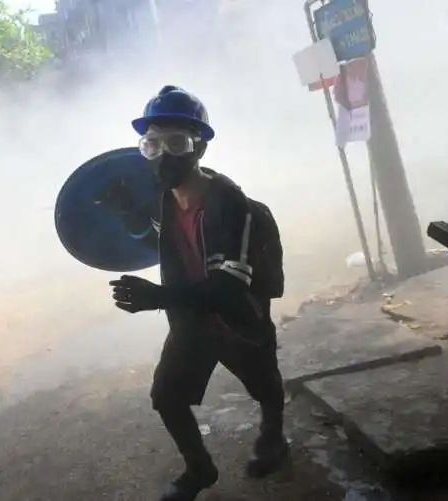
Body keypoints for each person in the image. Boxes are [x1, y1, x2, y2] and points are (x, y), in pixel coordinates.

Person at [106, 85, 288, 501]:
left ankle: (273, 438)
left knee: (264, 385)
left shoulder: (231, 203)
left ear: (199, 148)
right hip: (192, 319)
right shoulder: (165, 201)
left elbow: (229, 285)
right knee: (167, 397)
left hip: (238, 317)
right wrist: (122, 208)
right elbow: (157, 234)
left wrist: (158, 298)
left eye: (176, 143)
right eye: (152, 144)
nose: (164, 155)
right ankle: (199, 468)